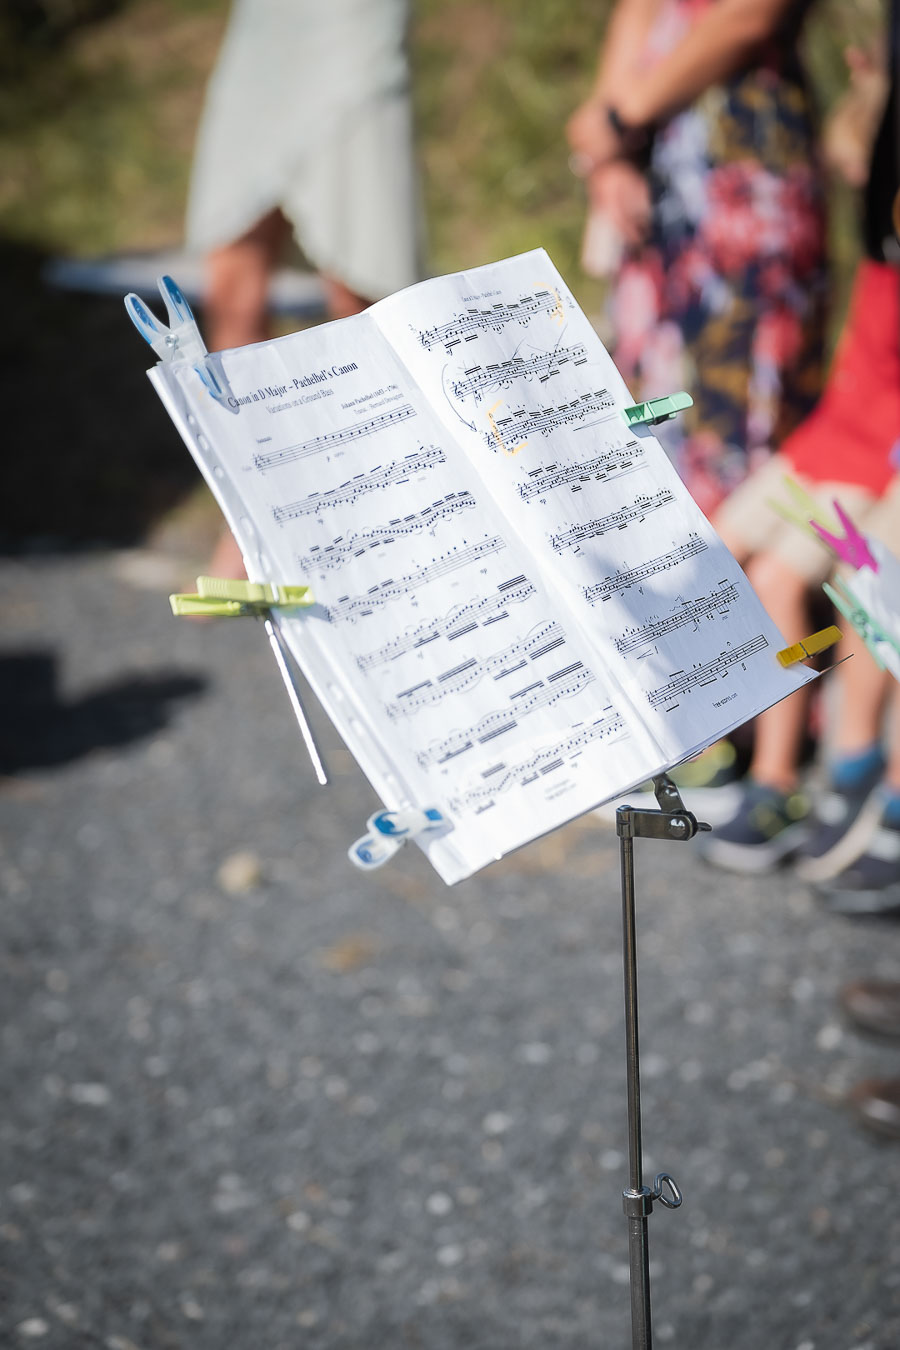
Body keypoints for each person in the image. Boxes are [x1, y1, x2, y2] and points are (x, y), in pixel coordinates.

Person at [697, 1, 900, 876]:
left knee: (797, 576)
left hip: (865, 461)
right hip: (826, 440)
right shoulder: (875, 212)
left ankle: (785, 776)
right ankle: (728, 742)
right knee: (716, 550)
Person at [185, 0, 423, 575]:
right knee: (232, 272)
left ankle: (381, 511)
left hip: (352, 23)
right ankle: (251, 516)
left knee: (362, 283)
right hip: (266, 25)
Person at [566, 0, 827, 519]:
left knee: (739, 412)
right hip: (656, 156)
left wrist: (626, 113)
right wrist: (610, 146)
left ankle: (736, 589)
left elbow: (752, 13)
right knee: (647, 399)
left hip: (743, 156)